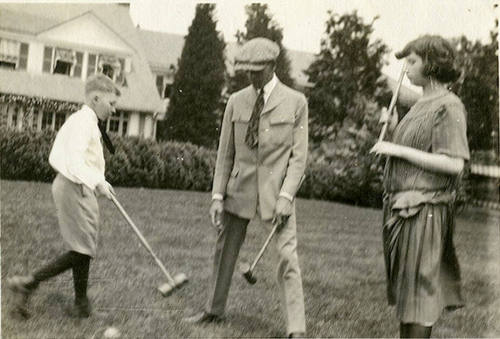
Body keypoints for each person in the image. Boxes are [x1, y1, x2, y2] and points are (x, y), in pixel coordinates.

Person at [183, 37, 308, 338]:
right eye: (247, 70)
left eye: (257, 70)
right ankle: (214, 309)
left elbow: (299, 158)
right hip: (238, 190)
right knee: (224, 250)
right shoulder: (236, 101)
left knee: (287, 257)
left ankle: (297, 329)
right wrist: (216, 196)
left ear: (272, 66)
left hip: (277, 196)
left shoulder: (296, 102)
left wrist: (286, 196)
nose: (251, 76)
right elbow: (225, 153)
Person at [370, 35, 470, 338]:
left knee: (420, 299)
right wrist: (393, 126)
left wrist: (397, 150)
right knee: (408, 298)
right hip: (403, 211)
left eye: (412, 61)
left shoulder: (449, 105)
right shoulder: (420, 104)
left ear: (432, 64)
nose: (406, 68)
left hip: (425, 212)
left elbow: (454, 165)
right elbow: (416, 145)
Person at [7, 74, 119, 319]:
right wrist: (97, 182)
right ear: (96, 98)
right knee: (81, 249)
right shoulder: (82, 122)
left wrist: (99, 181)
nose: (114, 108)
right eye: (111, 103)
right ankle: (27, 283)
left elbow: (87, 162)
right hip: (72, 186)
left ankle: (80, 304)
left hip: (81, 187)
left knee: (85, 245)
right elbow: (75, 162)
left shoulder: (89, 122)